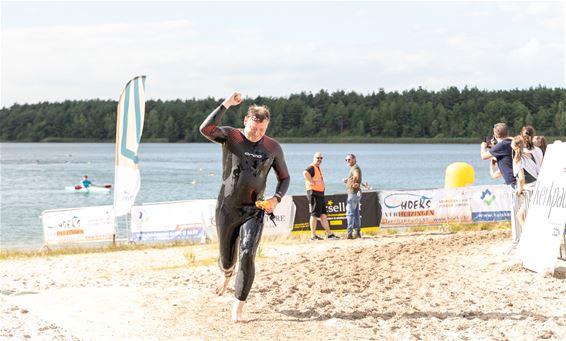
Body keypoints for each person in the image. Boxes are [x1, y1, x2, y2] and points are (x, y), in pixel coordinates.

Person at [199, 91, 290, 322]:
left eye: (263, 129)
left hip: (255, 209)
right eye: (254, 128)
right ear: (245, 121)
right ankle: (226, 274)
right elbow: (205, 129)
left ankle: (238, 306)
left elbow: (285, 178)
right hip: (227, 208)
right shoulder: (231, 136)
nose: (258, 133)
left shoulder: (272, 147)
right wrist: (227, 103)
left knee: (248, 253)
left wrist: (276, 199)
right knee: (227, 260)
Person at [511, 135, 543, 237]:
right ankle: (531, 237)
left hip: (530, 189)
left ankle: (529, 238)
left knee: (521, 216)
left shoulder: (517, 159)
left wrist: (519, 190)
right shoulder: (530, 155)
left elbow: (521, 179)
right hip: (538, 187)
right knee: (524, 215)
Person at [303, 152, 340, 241]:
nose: (319, 159)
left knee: (323, 215)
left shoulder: (317, 167)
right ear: (314, 158)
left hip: (320, 193)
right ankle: (313, 236)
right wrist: (312, 182)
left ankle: (329, 234)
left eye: (321, 158)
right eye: (318, 158)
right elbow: (305, 173)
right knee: (314, 214)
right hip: (314, 193)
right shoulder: (312, 167)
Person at [343, 154, 362, 239]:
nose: (347, 161)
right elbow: (355, 176)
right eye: (346, 160)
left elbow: (356, 175)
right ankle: (357, 233)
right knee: (356, 214)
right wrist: (348, 181)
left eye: (349, 159)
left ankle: (349, 233)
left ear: (354, 159)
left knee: (350, 213)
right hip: (356, 193)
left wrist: (354, 182)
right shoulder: (354, 167)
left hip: (353, 193)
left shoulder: (355, 168)